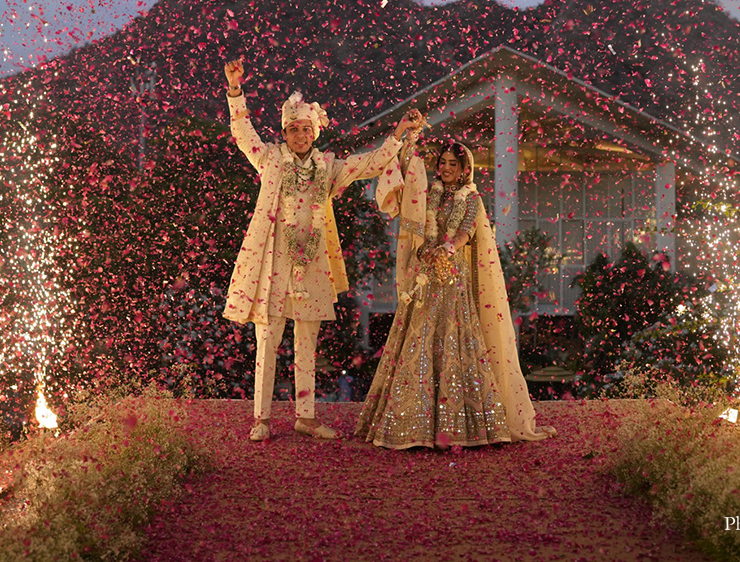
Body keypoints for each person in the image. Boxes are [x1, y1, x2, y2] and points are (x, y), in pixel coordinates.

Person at [223, 57, 422, 441]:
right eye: (293, 129)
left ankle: (306, 416)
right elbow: (243, 132)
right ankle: (261, 419)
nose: (300, 135)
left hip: (311, 264)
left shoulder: (327, 168)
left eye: (306, 129)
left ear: (315, 133)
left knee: (307, 341)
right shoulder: (270, 160)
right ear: (285, 132)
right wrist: (235, 89)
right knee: (268, 340)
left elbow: (371, 163)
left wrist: (398, 134)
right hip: (274, 264)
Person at [355, 136, 555, 449]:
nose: (446, 168)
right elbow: (417, 221)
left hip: (452, 278)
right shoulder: (428, 194)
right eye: (443, 162)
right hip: (427, 276)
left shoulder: (470, 198)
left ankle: (458, 425)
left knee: (453, 341)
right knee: (418, 341)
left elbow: (466, 232)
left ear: (464, 169)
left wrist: (446, 249)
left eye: (453, 164)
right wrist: (424, 251)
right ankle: (412, 419)